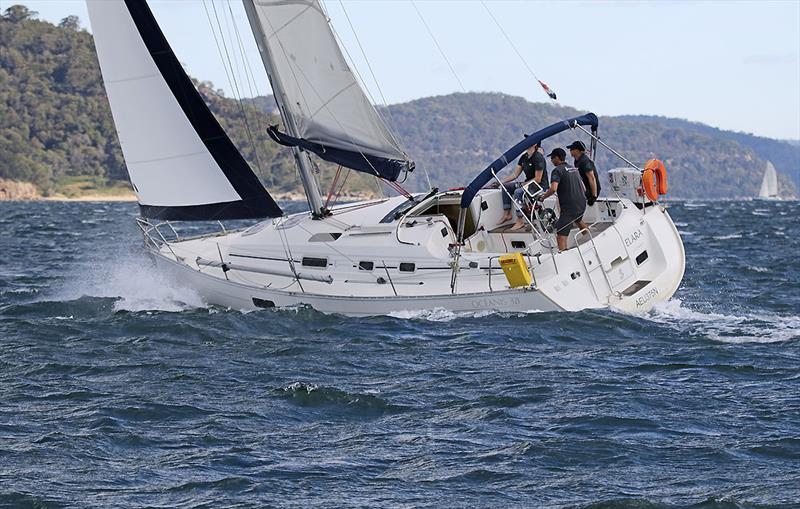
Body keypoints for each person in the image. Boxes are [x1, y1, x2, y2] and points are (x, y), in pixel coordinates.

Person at [536, 148, 588, 251]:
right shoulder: (573, 168)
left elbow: (553, 188)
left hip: (569, 208)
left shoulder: (557, 170)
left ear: (556, 158)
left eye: (552, 158)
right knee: (578, 219)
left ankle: (564, 256)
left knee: (560, 235)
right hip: (581, 204)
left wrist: (543, 197)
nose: (551, 160)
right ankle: (590, 238)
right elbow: (584, 188)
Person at [495, 141, 548, 226]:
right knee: (506, 187)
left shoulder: (538, 157)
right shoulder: (524, 157)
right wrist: (500, 182)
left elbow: (538, 179)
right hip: (528, 183)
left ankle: (520, 220)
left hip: (539, 185)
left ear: (535, 144)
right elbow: (515, 174)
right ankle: (507, 214)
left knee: (518, 192)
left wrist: (523, 184)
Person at [567, 140, 601, 206]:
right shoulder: (577, 161)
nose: (570, 150)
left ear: (578, 150)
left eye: (572, 149)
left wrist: (593, 196)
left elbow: (591, 178)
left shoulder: (584, 162)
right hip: (584, 188)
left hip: (590, 191)